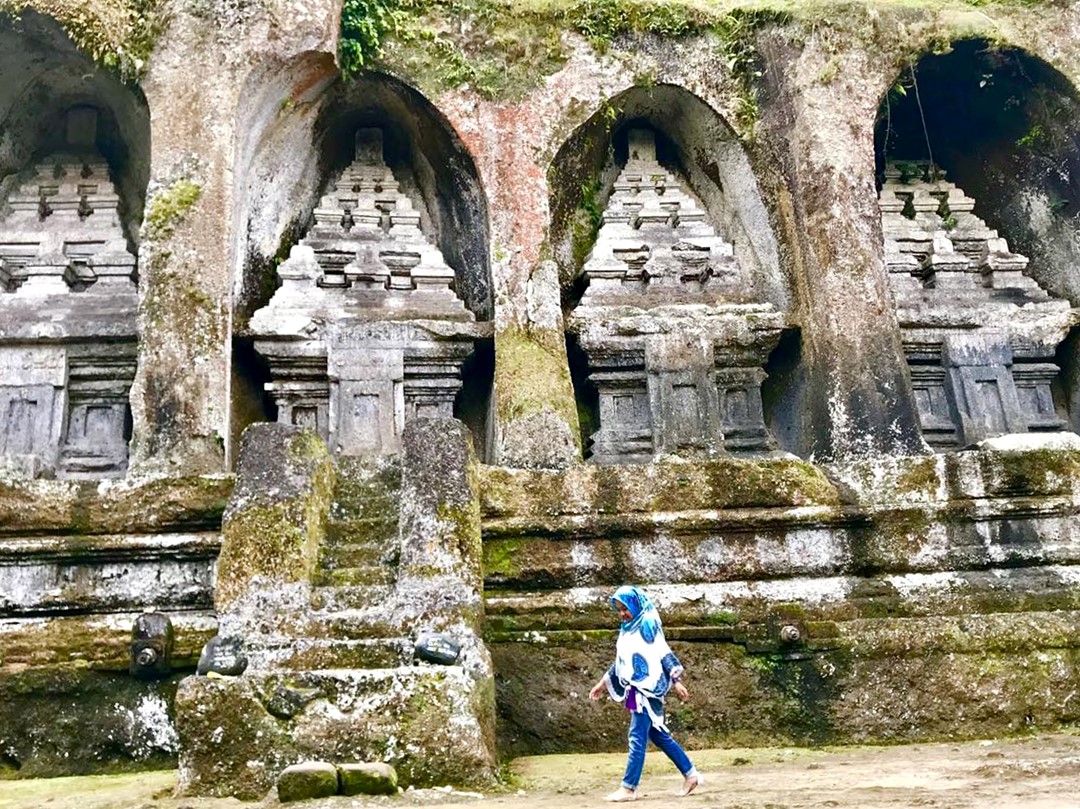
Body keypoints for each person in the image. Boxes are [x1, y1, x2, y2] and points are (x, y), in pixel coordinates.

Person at [589, 585, 701, 802]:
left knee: (636, 737)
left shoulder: (648, 626)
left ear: (635, 605)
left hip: (647, 689)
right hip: (634, 689)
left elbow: (662, 652)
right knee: (657, 735)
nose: (622, 614)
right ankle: (691, 774)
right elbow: (622, 662)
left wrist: (676, 681)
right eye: (619, 609)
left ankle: (629, 787)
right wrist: (603, 683)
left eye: (625, 608)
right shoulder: (627, 628)